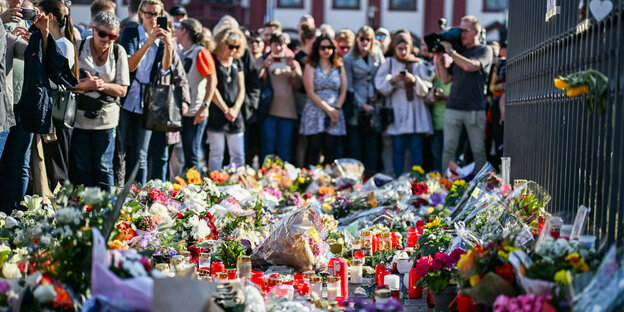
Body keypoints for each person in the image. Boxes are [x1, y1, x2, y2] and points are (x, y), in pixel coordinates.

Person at [0, 3, 59, 211]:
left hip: (21, 103)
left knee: (19, 165)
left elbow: (36, 54)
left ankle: (12, 217)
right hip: (3, 107)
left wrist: (42, 32)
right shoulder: (3, 21)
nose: (17, 5)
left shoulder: (20, 23)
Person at [118, 0, 181, 184]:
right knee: (120, 150)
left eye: (157, 15)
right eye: (149, 14)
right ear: (141, 15)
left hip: (148, 103)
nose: (153, 19)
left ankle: (139, 195)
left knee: (141, 154)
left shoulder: (163, 42)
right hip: (126, 98)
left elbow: (164, 70)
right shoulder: (131, 33)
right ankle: (118, 190)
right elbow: (129, 66)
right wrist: (148, 42)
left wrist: (168, 45)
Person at [70, 11, 129, 191]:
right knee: (82, 167)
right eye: (102, 34)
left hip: (106, 119)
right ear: (93, 30)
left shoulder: (119, 52)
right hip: (80, 117)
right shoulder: (78, 48)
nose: (106, 39)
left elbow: (122, 90)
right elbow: (65, 83)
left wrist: (101, 85)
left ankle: (107, 208)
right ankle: (83, 209)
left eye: (112, 36)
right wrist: (85, 85)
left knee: (104, 166)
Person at [436, 15, 493, 173]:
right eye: (459, 30)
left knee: (478, 150)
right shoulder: (459, 51)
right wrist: (440, 59)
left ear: (475, 32)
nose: (461, 34)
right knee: (448, 150)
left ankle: (481, 185)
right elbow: (446, 79)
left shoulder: (484, 50)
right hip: (453, 106)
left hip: (474, 109)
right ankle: (445, 184)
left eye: (464, 31)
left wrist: (452, 52)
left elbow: (470, 66)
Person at [375, 30, 433, 175]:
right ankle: (398, 177)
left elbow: (426, 88)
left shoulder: (419, 64)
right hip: (397, 111)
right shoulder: (389, 63)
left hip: (416, 112)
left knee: (416, 148)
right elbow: (379, 84)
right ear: (394, 48)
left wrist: (414, 80)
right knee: (398, 148)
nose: (403, 52)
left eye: (406, 48)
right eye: (400, 48)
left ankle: (416, 178)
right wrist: (393, 80)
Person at [37, 0, 79, 191]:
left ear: (50, 17)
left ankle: (63, 207)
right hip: (49, 107)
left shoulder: (64, 44)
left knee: (58, 163)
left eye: (39, 12)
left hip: (57, 110)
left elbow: (56, 74)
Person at [175, 18, 217, 171]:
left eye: (178, 28)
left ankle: (196, 190)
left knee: (191, 154)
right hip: (183, 110)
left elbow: (212, 79)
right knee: (184, 154)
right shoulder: (181, 52)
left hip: (195, 111)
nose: (176, 31)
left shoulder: (201, 52)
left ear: (185, 31)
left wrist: (205, 106)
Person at [300, 34, 347, 167]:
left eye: (329, 47)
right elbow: (310, 91)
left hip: (335, 111)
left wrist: (336, 109)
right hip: (315, 110)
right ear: (317, 49)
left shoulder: (338, 66)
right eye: (323, 47)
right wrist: (329, 110)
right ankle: (309, 180)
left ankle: (329, 183)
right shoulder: (311, 65)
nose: (326, 50)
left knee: (331, 150)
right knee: (313, 148)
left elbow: (343, 90)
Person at [344, 25, 384, 174]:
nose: (365, 42)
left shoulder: (377, 54)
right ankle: (356, 176)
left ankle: (371, 173)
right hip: (357, 104)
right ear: (357, 40)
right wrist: (361, 103)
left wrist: (377, 91)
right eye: (362, 39)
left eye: (368, 39)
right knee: (355, 143)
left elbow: (382, 75)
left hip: (374, 101)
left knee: (372, 143)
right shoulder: (349, 58)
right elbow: (349, 85)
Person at [205, 26, 246, 171]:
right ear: (222, 44)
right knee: (217, 152)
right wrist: (225, 109)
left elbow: (242, 88)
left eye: (237, 47)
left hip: (235, 114)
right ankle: (213, 184)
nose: (233, 50)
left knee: (238, 154)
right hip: (217, 111)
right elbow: (211, 87)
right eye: (230, 46)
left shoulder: (237, 62)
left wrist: (235, 109)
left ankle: (237, 183)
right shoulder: (213, 60)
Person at [260, 33, 302, 162]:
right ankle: (265, 176)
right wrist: (264, 67)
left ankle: (283, 179)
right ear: (270, 45)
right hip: (269, 110)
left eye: (281, 44)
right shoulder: (264, 60)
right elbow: (257, 81)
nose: (278, 48)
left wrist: (293, 69)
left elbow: (298, 85)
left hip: (287, 112)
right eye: (275, 44)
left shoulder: (292, 62)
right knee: (268, 148)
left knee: (284, 149)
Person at [488, 41, 506, 169]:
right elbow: (491, 87)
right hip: (498, 104)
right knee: (498, 138)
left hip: (515, 103)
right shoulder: (500, 64)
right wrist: (498, 86)